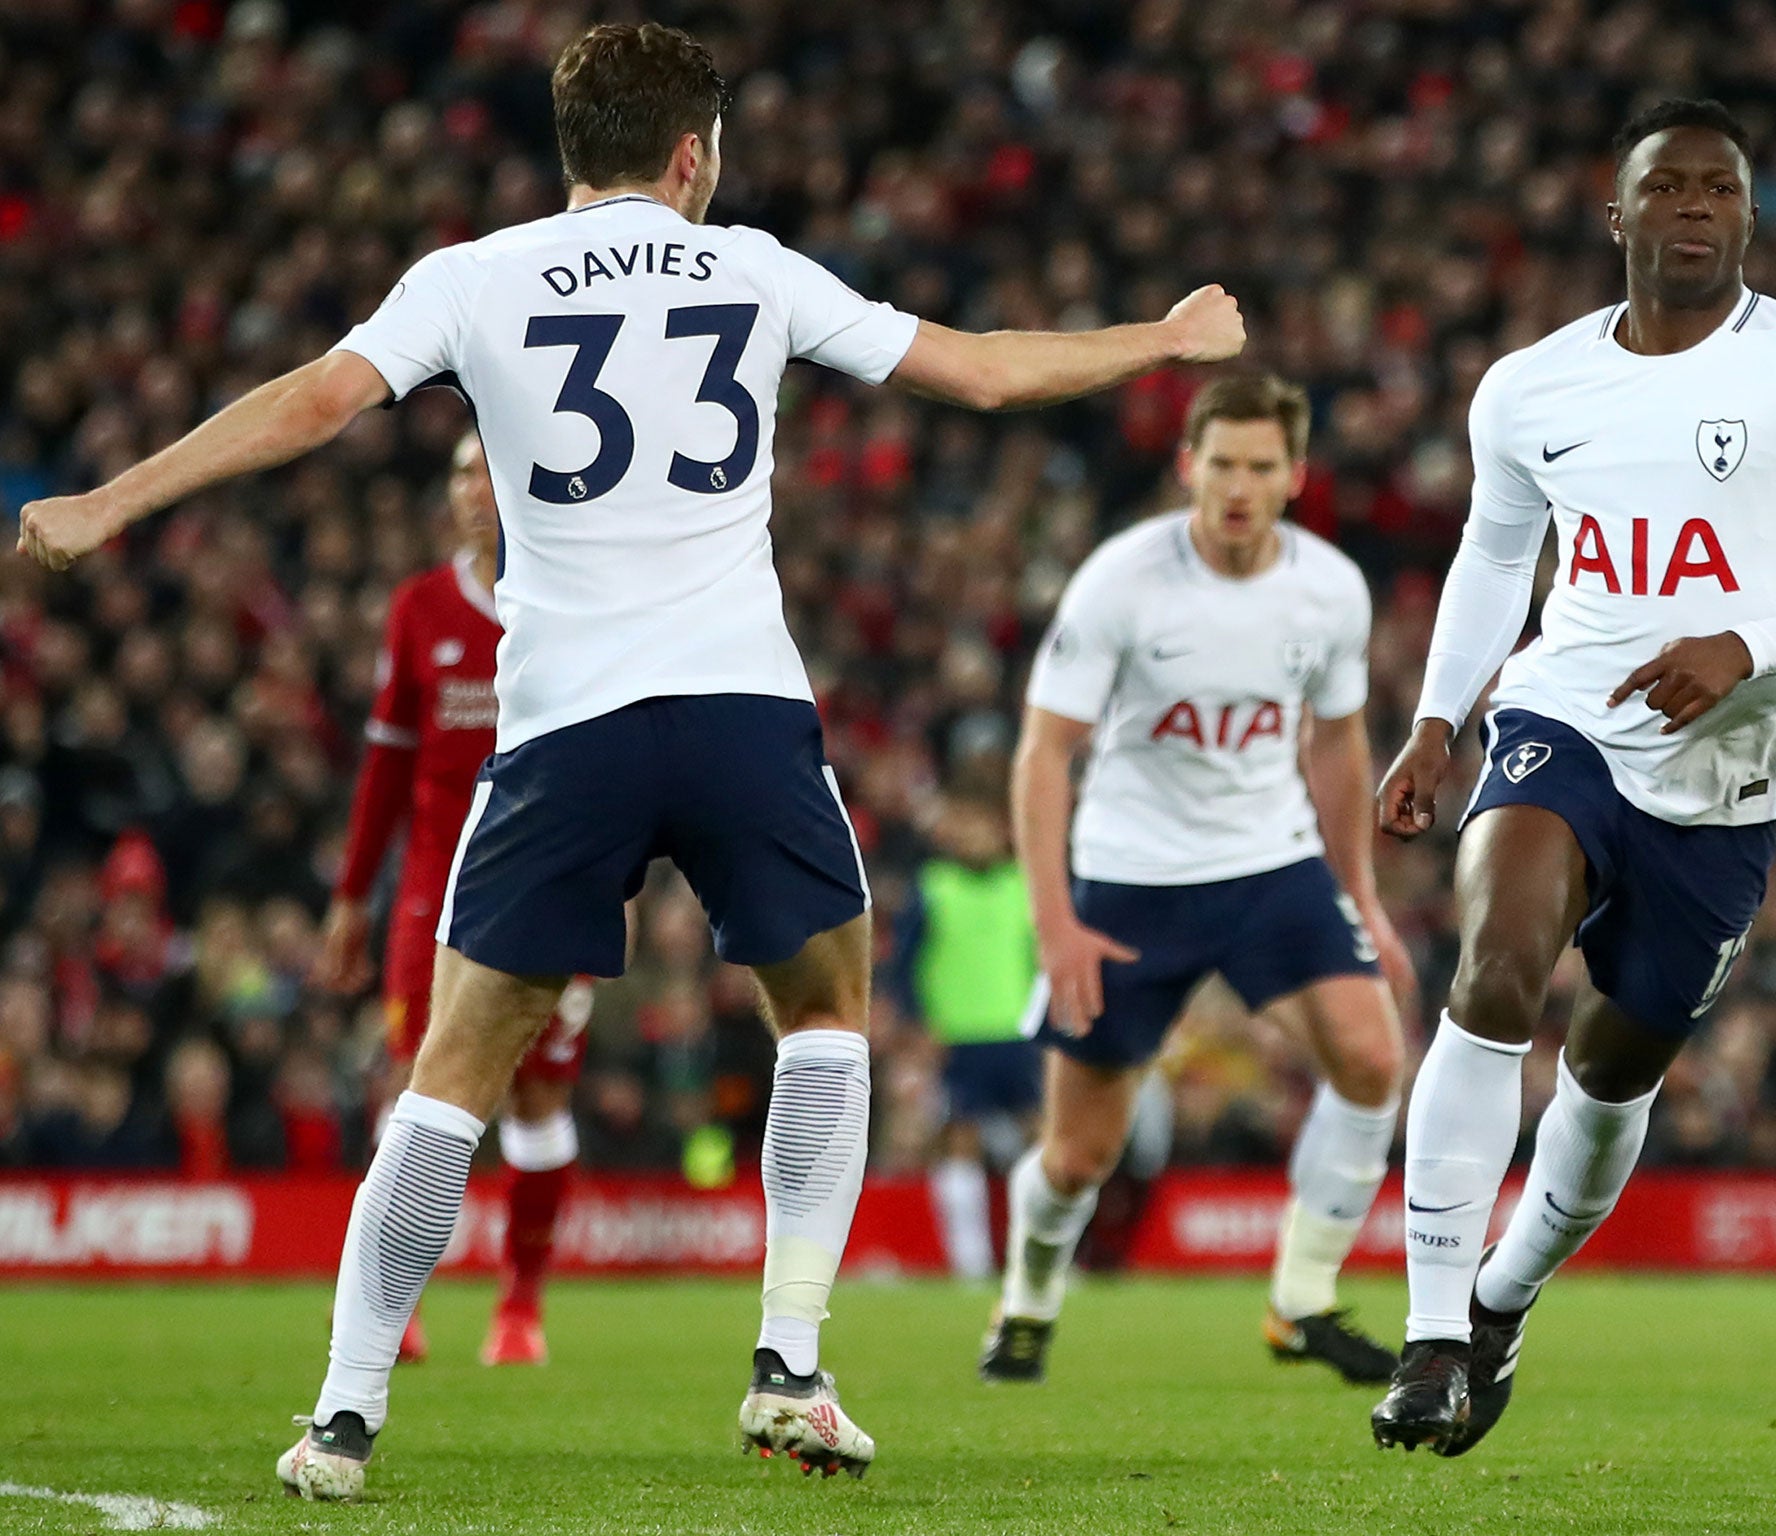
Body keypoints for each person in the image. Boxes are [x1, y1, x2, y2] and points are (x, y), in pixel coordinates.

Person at [15, 21, 1243, 1499]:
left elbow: (318, 403)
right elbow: (979, 375)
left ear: (570, 149)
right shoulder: (759, 268)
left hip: (567, 725)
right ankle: (788, 1363)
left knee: (457, 1066)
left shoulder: (471, 276)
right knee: (828, 1014)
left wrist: (114, 498)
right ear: (690, 153)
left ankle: (343, 1415)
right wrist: (1165, 342)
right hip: (739, 710)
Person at [1368, 98, 1776, 1454]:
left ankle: (1503, 1306)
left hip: (1726, 778)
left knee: (1612, 1073)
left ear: (1749, 217)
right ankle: (1432, 1333)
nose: (1695, 206)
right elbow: (1496, 560)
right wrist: (1440, 721)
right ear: (1616, 215)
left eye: (1721, 189)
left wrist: (1749, 644)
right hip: (1560, 721)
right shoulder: (1529, 386)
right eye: (1667, 186)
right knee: (1493, 970)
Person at [983, 372, 1416, 1388]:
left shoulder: (1329, 589)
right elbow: (1043, 754)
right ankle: (1026, 1300)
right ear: (1187, 465)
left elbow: (1338, 745)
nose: (1236, 484)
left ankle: (1298, 1302)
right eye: (1218, 462)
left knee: (1368, 1057)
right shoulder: (1119, 583)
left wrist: (1358, 896)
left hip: (1269, 867)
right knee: (1078, 1157)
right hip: (1131, 883)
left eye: (1259, 465)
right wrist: (1055, 925)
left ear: (1292, 477)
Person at [312, 431, 592, 1369]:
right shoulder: (419, 608)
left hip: (556, 877)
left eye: (488, 471)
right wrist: (351, 897)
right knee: (414, 1086)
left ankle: (521, 1308)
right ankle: (395, 1302)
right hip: (434, 894)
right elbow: (386, 765)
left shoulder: (571, 595)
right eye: (461, 474)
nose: (474, 489)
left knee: (538, 1093)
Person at [891, 792, 1040, 1279]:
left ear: (1001, 829)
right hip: (955, 1037)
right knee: (960, 1141)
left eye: (981, 824)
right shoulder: (934, 886)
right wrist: (918, 1024)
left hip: (1019, 1035)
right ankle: (970, 1263)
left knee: (1041, 1144)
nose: (972, 835)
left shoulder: (1026, 884)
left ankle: (1042, 1260)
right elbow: (903, 965)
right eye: (964, 824)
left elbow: (1045, 963)